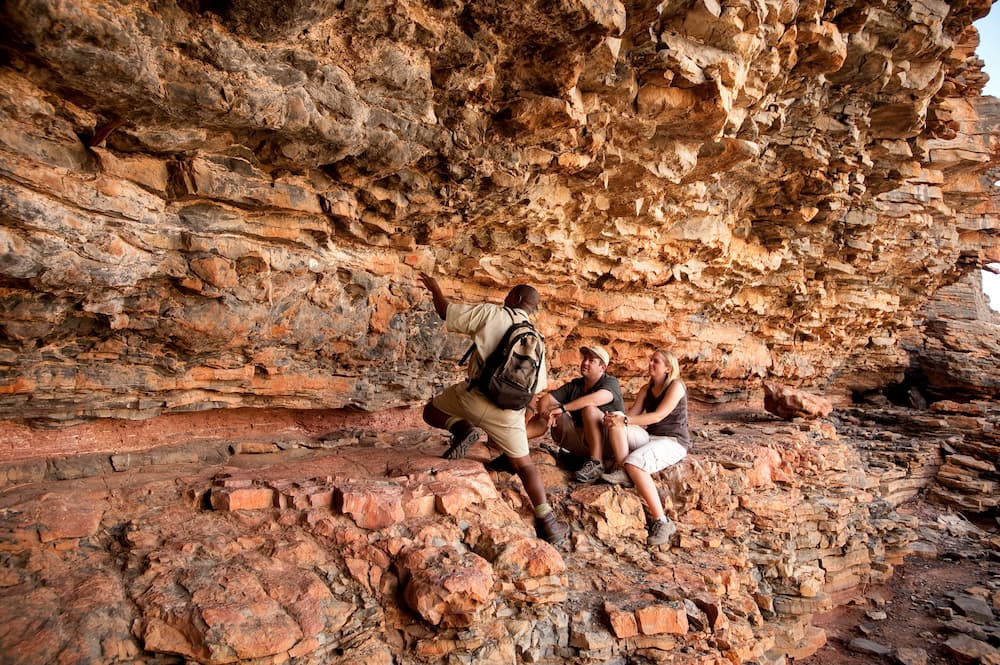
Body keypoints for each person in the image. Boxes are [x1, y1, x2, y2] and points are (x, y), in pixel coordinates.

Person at [417, 272, 569, 546]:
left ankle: (462, 427)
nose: (505, 296)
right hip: (508, 413)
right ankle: (548, 523)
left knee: (430, 411)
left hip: (472, 398)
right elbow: (535, 388)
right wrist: (518, 422)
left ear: (516, 299)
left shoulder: (491, 314)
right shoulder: (537, 338)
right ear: (531, 307)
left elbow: (444, 312)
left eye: (509, 293)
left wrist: (435, 288)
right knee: (524, 465)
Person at [601, 349, 690, 547]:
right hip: (651, 438)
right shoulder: (645, 389)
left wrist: (625, 419)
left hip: (673, 441)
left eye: (656, 362)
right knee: (617, 419)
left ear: (668, 368)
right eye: (650, 360)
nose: (651, 364)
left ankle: (663, 522)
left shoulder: (676, 386)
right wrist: (613, 419)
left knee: (636, 464)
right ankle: (623, 469)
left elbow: (658, 416)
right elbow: (630, 416)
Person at [526, 345, 625, 483]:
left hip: (609, 443)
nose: (585, 362)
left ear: (602, 368)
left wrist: (563, 408)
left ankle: (596, 464)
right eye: (585, 358)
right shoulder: (576, 385)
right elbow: (545, 399)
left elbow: (596, 398)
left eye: (591, 360)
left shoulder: (610, 382)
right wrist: (545, 414)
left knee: (589, 409)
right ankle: (515, 440)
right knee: (554, 416)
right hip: (584, 441)